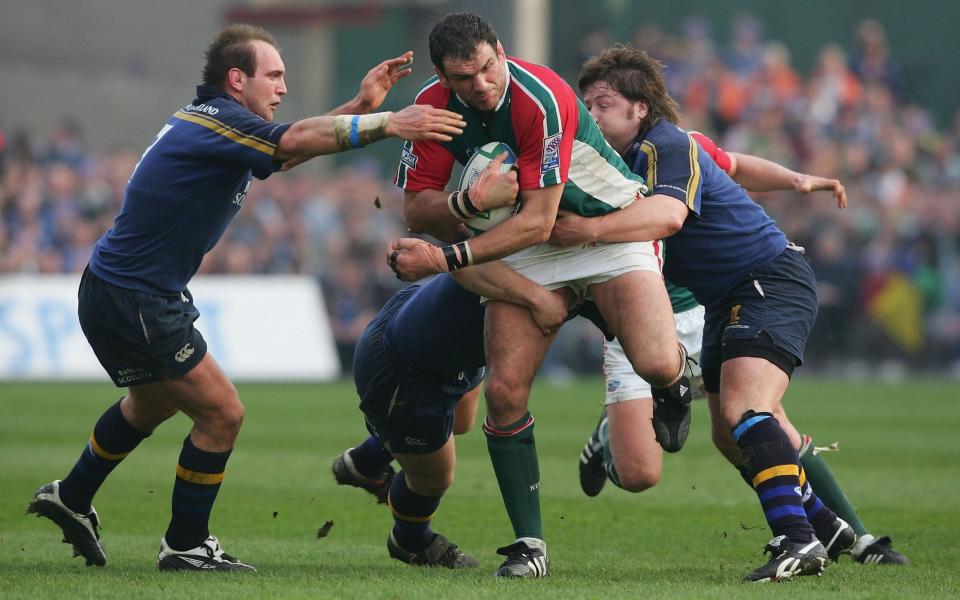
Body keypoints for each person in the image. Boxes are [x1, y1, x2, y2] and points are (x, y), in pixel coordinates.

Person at [26, 23, 466, 572]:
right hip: (135, 295)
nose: (282, 87)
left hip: (124, 289)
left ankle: (72, 495)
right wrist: (387, 123)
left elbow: (285, 151)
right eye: (274, 75)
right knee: (223, 414)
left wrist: (357, 105)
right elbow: (291, 140)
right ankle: (185, 545)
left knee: (154, 402)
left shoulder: (216, 124)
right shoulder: (217, 122)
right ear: (237, 80)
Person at [548, 46, 881, 582]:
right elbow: (733, 162)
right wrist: (796, 180)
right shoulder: (610, 160)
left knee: (752, 411)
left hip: (767, 280)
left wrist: (583, 230)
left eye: (603, 103)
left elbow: (670, 215)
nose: (591, 114)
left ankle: (799, 541)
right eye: (585, 104)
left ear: (640, 108)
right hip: (729, 297)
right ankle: (826, 526)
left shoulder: (667, 143)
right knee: (730, 434)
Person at [386, 12, 691, 578]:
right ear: (441, 76)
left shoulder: (540, 96)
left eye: (486, 68)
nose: (480, 85)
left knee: (652, 360)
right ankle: (530, 546)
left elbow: (539, 217)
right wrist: (469, 203)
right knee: (503, 392)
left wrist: (450, 256)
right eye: (463, 77)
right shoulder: (431, 110)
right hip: (525, 247)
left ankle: (672, 385)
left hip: (604, 228)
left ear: (501, 51)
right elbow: (417, 210)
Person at [331, 263, 568, 569]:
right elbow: (467, 256)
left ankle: (367, 460)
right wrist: (539, 298)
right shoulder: (546, 242)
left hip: (437, 329)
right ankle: (412, 539)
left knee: (461, 421)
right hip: (409, 368)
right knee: (435, 479)